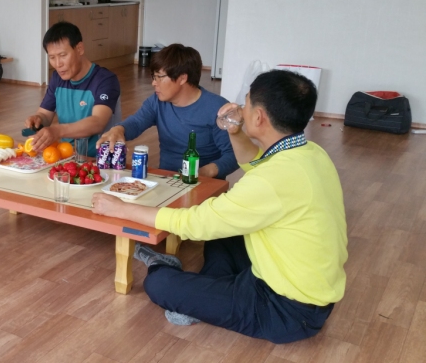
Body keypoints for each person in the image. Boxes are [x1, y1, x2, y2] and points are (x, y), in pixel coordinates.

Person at [91, 70, 347, 344]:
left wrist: (122, 209)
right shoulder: (310, 153)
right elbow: (257, 163)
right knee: (223, 236)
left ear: (259, 117)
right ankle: (207, 296)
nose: (241, 108)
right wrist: (234, 132)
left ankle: (193, 291)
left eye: (246, 102)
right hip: (293, 280)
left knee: (159, 284)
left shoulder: (272, 180)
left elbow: (197, 223)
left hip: (288, 310)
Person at [97, 44, 237, 179]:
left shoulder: (217, 108)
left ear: (182, 78)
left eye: (159, 77)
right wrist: (119, 129)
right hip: (167, 180)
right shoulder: (157, 101)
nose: (153, 83)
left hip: (204, 184)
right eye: (154, 77)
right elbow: (137, 122)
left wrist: (204, 172)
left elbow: (234, 155)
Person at [25, 21, 121, 157]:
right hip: (66, 156)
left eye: (63, 55)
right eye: (52, 57)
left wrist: (58, 131)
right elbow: (45, 115)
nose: (58, 64)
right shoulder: (57, 78)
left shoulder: (105, 80)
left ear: (79, 49)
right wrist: (38, 119)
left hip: (100, 160)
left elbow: (98, 122)